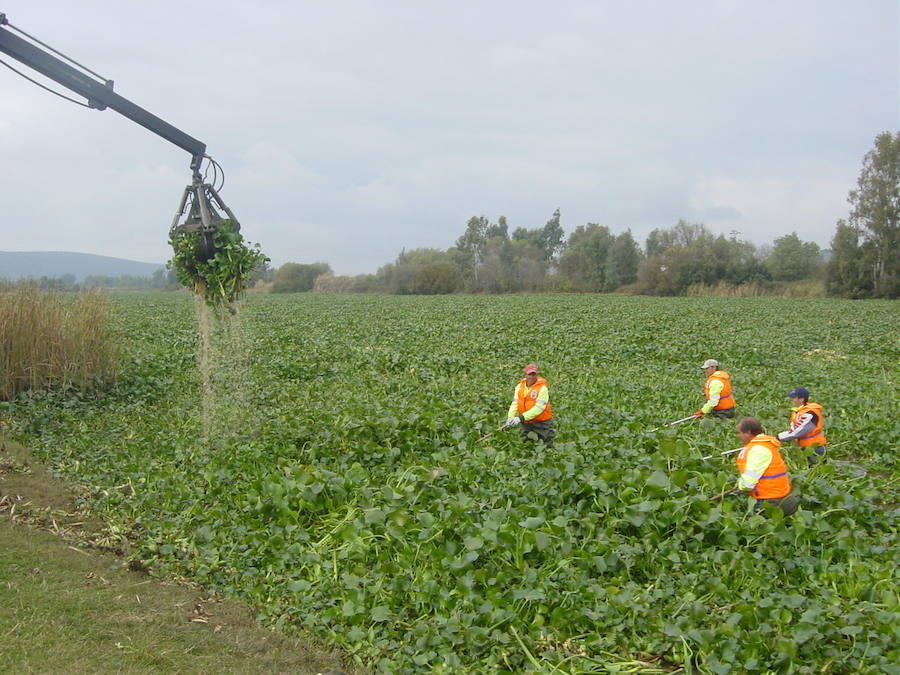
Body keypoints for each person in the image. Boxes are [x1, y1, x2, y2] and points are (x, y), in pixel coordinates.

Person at [734, 416, 797, 516]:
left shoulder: (758, 450)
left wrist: (740, 485)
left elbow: (747, 484)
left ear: (748, 432)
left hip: (772, 502)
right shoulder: (765, 445)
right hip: (783, 497)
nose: (738, 436)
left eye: (739, 433)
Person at [504, 363, 555, 445]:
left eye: (534, 375)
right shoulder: (519, 387)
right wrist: (510, 417)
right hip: (526, 422)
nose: (531, 377)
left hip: (541, 422)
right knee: (526, 443)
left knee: (545, 444)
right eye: (529, 374)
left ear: (537, 375)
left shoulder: (542, 388)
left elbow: (539, 408)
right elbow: (515, 403)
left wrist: (520, 418)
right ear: (525, 375)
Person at [778, 387, 827, 465]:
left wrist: (778, 437)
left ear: (801, 399)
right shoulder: (799, 411)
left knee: (816, 471)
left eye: (794, 397)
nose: (791, 399)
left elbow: (797, 432)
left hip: (815, 448)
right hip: (806, 447)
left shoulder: (810, 413)